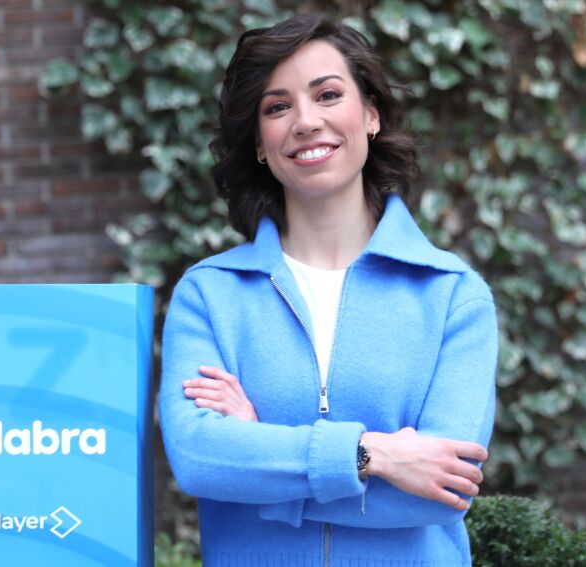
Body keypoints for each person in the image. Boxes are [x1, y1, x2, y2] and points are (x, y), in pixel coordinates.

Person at [159, 14, 498, 566]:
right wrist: (372, 454)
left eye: (328, 95)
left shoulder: (451, 295)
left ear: (371, 114)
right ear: (260, 143)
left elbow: (441, 490)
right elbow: (200, 458)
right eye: (277, 107)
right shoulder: (211, 295)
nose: (306, 121)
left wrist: (265, 467)